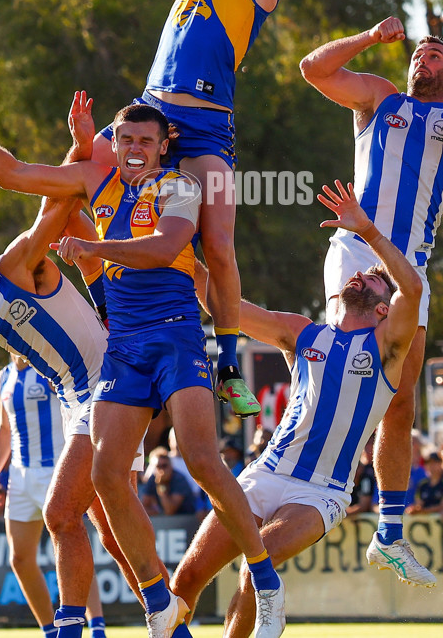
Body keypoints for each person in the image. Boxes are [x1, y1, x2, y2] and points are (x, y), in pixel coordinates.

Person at [0, 85, 285, 638]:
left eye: (146, 140)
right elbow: (16, 173)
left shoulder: (180, 185)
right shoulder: (95, 182)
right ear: (113, 144)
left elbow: (161, 248)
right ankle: (158, 605)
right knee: (102, 480)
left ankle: (265, 582)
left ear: (163, 144)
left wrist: (95, 250)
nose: (134, 149)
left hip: (174, 336)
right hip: (123, 347)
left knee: (199, 458)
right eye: (124, 140)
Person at [92, 0, 303, 419]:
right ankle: (109, 314)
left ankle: (230, 365)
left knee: (216, 244)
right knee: (84, 172)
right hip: (153, 114)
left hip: (206, 126)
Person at [0, 90, 147, 638]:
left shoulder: (21, 266)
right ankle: (170, 616)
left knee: (59, 515)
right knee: (116, 540)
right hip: (80, 398)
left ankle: (70, 628)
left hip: (110, 382)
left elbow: (64, 200)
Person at [299, 9, 443, 584]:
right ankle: (312, 472)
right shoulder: (382, 100)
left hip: (409, 268)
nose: (423, 57)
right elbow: (313, 69)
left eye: (436, 54)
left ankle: (389, 532)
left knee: (400, 399)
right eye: (418, 52)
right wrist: (367, 37)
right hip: (356, 249)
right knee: (350, 363)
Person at [170, 177, 427, 637]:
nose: (357, 275)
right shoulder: (304, 332)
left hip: (320, 492)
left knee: (257, 569)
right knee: (185, 581)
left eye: (369, 278)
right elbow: (222, 303)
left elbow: (412, 287)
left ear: (384, 309)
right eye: (359, 272)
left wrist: (367, 232)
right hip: (265, 473)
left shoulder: (388, 347)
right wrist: (187, 245)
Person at [0, 354, 107, 638]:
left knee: (71, 548)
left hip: (57, 469)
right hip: (19, 476)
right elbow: (4, 429)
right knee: (20, 558)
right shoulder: (2, 377)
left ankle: (97, 626)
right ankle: (50, 631)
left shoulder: (48, 365)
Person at [141, 448, 196, 517]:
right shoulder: (153, 479)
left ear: (171, 465)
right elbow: (143, 507)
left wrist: (161, 485)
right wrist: (156, 512)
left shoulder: (179, 479)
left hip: (186, 519)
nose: (161, 470)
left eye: (164, 466)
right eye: (158, 466)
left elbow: (170, 510)